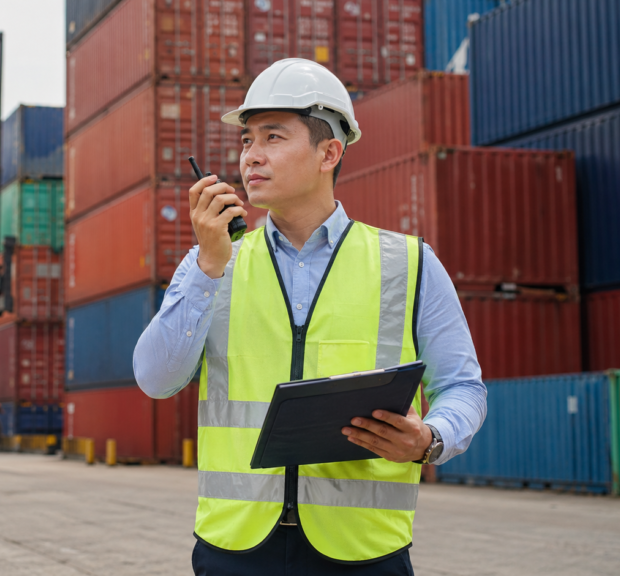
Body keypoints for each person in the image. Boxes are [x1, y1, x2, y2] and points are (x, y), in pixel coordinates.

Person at [133, 59, 487, 575]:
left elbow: (463, 387)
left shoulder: (409, 264)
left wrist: (429, 439)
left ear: (329, 153)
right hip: (235, 550)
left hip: (363, 552)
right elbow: (155, 379)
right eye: (246, 141)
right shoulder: (213, 263)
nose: (251, 156)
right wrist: (208, 266)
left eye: (272, 137)